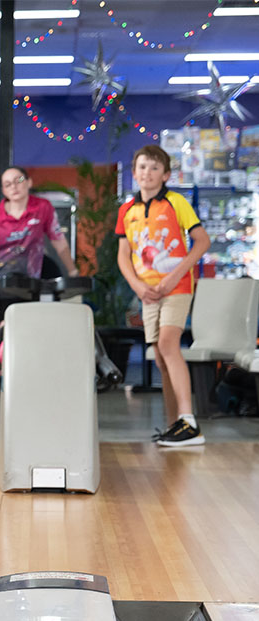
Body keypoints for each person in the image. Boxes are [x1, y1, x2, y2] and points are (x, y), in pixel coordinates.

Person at [0, 166, 79, 430]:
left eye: (18, 180)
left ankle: (22, 402)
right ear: (3, 190)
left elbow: (59, 241)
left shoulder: (42, 209)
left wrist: (74, 272)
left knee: (23, 343)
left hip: (30, 287)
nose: (14, 186)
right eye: (7, 183)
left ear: (28, 182)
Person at [116, 145, 210, 446]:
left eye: (155, 167)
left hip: (177, 287)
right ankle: (175, 426)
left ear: (166, 174)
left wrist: (173, 277)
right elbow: (123, 255)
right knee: (159, 356)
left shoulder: (176, 202)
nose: (148, 172)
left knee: (169, 345)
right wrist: (137, 286)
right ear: (134, 173)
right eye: (142, 166)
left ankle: (189, 421)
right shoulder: (126, 211)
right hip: (148, 294)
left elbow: (202, 241)